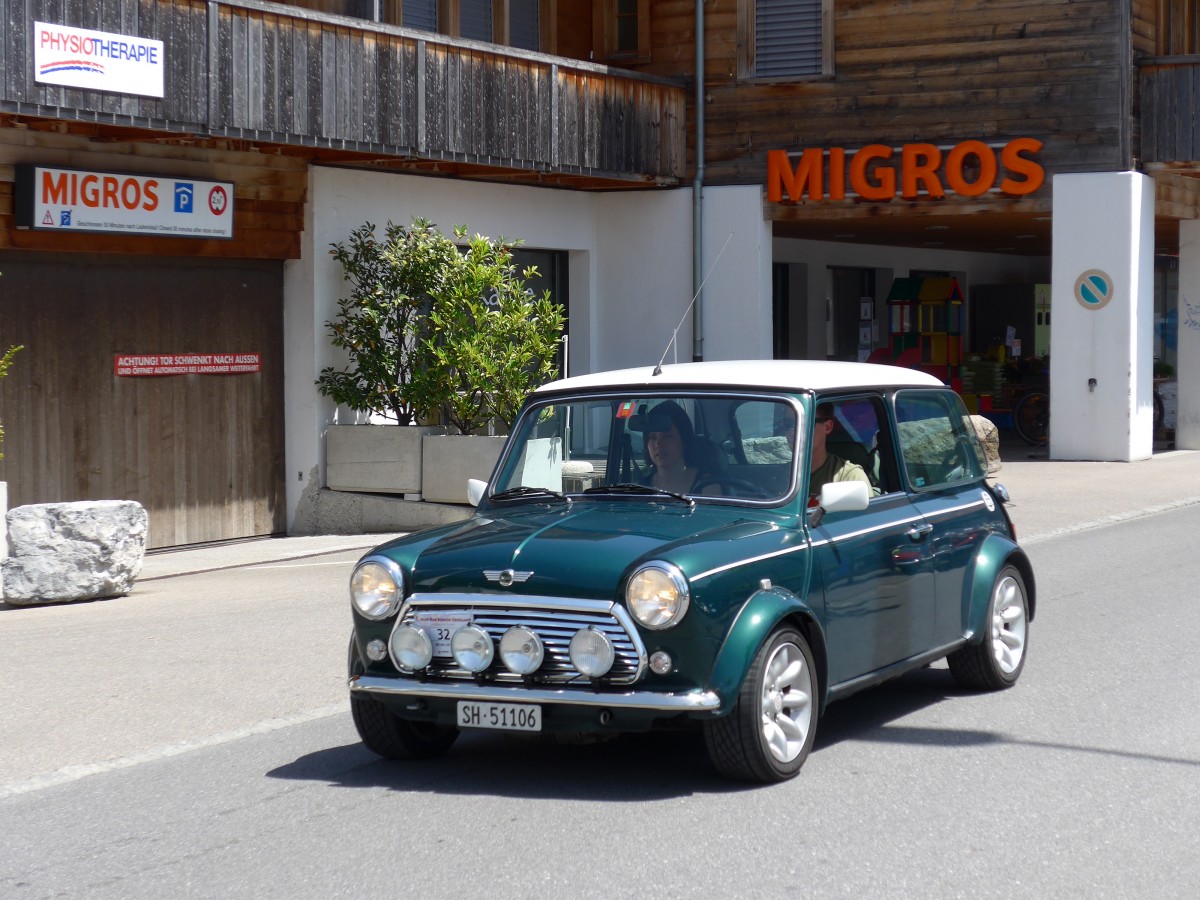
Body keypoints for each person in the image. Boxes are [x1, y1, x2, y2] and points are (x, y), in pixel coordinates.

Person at [636, 400, 720, 495]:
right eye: (653, 437)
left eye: (668, 436)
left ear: (684, 441)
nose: (658, 444)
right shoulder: (640, 487)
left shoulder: (707, 486)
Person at [808, 403, 872, 501]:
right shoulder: (779, 475)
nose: (793, 429)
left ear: (827, 427)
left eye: (805, 423)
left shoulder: (850, 478)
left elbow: (865, 515)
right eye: (787, 423)